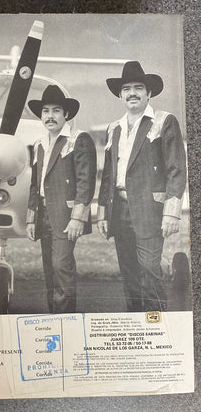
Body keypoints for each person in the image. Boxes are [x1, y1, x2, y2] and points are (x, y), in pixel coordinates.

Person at [97, 61, 187, 312]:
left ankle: (158, 328)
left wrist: (171, 212)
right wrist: (103, 212)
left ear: (149, 93)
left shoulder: (164, 121)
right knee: (129, 273)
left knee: (149, 268)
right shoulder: (113, 128)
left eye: (139, 87)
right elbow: (108, 174)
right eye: (126, 88)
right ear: (120, 94)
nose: (132, 92)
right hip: (119, 209)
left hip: (150, 208)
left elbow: (176, 168)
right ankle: (137, 324)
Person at [26, 85, 96, 313]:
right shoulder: (39, 144)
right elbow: (35, 185)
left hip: (66, 216)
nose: (50, 115)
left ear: (66, 114)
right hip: (44, 214)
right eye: (45, 111)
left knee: (61, 265)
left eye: (56, 110)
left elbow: (86, 182)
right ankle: (53, 318)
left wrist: (78, 218)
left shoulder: (79, 139)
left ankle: (66, 320)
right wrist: (30, 218)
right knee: (49, 268)